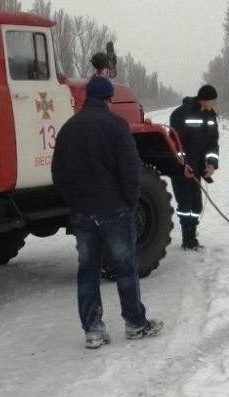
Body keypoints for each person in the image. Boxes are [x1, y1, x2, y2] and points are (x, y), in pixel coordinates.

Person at [51, 76, 164, 348]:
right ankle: (135, 324)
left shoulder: (69, 128)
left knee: (88, 271)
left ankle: (93, 331)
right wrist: (129, 202)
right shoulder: (116, 125)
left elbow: (58, 173)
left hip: (83, 213)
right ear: (108, 99)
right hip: (114, 209)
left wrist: (74, 201)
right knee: (125, 268)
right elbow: (131, 169)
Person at [169, 84, 220, 250]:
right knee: (185, 203)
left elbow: (213, 142)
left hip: (197, 167)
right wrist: (183, 164)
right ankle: (187, 237)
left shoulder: (211, 116)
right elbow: (176, 143)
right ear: (205, 99)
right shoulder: (181, 114)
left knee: (196, 204)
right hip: (181, 167)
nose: (214, 104)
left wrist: (211, 163)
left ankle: (192, 233)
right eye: (212, 101)